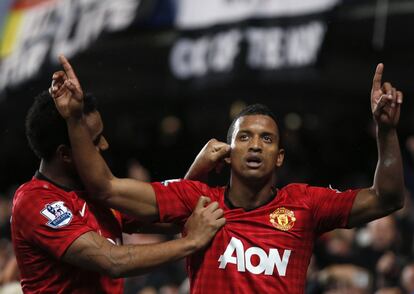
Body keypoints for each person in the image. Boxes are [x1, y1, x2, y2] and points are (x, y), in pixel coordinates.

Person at [51, 55, 404, 293]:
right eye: (244, 137)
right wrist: (74, 119)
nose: (255, 146)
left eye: (266, 139)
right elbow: (105, 188)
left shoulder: (306, 204)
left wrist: (386, 132)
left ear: (279, 157)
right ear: (227, 151)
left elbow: (386, 198)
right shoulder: (197, 203)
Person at [11, 90, 225, 293]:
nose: (104, 145)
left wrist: (199, 169)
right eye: (94, 140)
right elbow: (112, 261)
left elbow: (171, 219)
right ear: (65, 154)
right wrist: (191, 242)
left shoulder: (98, 194)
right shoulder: (34, 200)